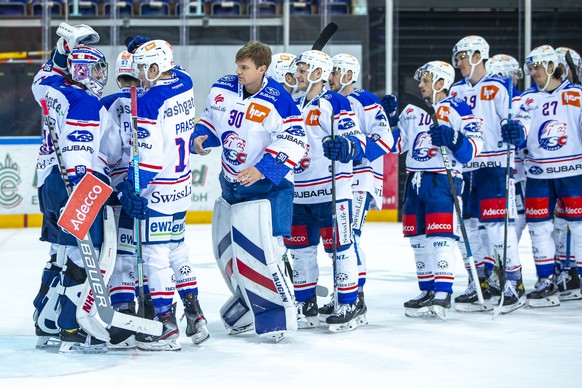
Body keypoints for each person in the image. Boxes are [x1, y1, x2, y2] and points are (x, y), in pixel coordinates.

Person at [190, 41, 305, 341]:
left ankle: (281, 310)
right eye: (237, 66)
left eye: (245, 68)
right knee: (235, 251)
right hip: (232, 182)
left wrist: (264, 168)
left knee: (271, 249)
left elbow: (295, 139)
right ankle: (249, 302)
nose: (238, 72)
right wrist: (201, 136)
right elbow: (211, 121)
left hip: (269, 187)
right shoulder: (222, 88)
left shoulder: (278, 99)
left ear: (262, 69)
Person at [118, 39, 209, 351]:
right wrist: (149, 47)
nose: (140, 74)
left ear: (157, 67)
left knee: (155, 257)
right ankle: (195, 316)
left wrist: (132, 186)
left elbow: (150, 158)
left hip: (159, 190)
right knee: (177, 251)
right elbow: (176, 68)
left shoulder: (148, 101)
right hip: (182, 186)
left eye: (144, 68)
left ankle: (165, 325)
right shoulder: (184, 81)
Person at [31, 24, 111, 353]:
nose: (100, 74)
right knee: (82, 254)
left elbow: (42, 76)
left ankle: (43, 319)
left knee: (59, 254)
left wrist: (62, 49)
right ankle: (69, 325)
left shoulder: (53, 88)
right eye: (95, 68)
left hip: (48, 180)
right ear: (80, 70)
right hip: (74, 185)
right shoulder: (85, 102)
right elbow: (78, 152)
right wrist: (80, 197)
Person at [386, 60, 482, 319]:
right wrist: (388, 121)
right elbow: (396, 146)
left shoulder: (457, 108)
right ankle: (427, 290)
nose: (420, 85)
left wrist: (453, 138)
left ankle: (443, 292)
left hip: (443, 180)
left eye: (426, 80)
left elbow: (473, 149)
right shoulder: (411, 111)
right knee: (418, 240)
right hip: (416, 181)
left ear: (441, 82)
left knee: (441, 239)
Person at [286, 49, 366, 332]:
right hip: (298, 192)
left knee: (340, 250)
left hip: (332, 192)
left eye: (305, 69)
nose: (298, 74)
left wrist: (344, 147)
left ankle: (349, 302)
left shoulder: (335, 101)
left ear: (320, 74)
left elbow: (358, 142)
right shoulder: (292, 103)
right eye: (299, 69)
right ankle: (305, 303)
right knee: (300, 251)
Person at [449, 35, 527, 313]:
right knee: (468, 228)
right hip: (467, 166)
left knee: (496, 227)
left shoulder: (499, 86)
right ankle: (479, 281)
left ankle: (514, 284)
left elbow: (520, 118)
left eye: (462, 57)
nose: (458, 63)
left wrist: (518, 131)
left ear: (477, 56)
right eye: (457, 57)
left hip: (494, 165)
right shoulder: (455, 90)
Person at [505, 45, 582, 307]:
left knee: (578, 228)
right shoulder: (528, 99)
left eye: (538, 66)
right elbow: (521, 125)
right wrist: (516, 133)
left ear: (552, 66)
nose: (533, 72)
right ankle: (547, 282)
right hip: (537, 173)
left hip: (573, 171)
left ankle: (576, 277)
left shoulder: (576, 95)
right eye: (531, 68)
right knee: (539, 229)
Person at [324, 53, 394, 324]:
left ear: (348, 75)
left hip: (361, 176)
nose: (330, 77)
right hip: (339, 177)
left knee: (348, 236)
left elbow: (385, 139)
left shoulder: (366, 100)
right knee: (337, 239)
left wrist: (356, 151)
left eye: (335, 72)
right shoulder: (328, 101)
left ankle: (357, 297)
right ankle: (345, 291)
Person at [100, 50, 149, 349]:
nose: (131, 84)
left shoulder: (110, 103)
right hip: (138, 190)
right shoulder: (153, 98)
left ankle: (132, 308)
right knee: (135, 253)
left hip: (130, 190)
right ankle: (133, 307)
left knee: (133, 252)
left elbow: (109, 153)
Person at [550, 46, 582, 300]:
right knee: (562, 224)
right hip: (565, 169)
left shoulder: (576, 94)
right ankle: (567, 271)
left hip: (575, 170)